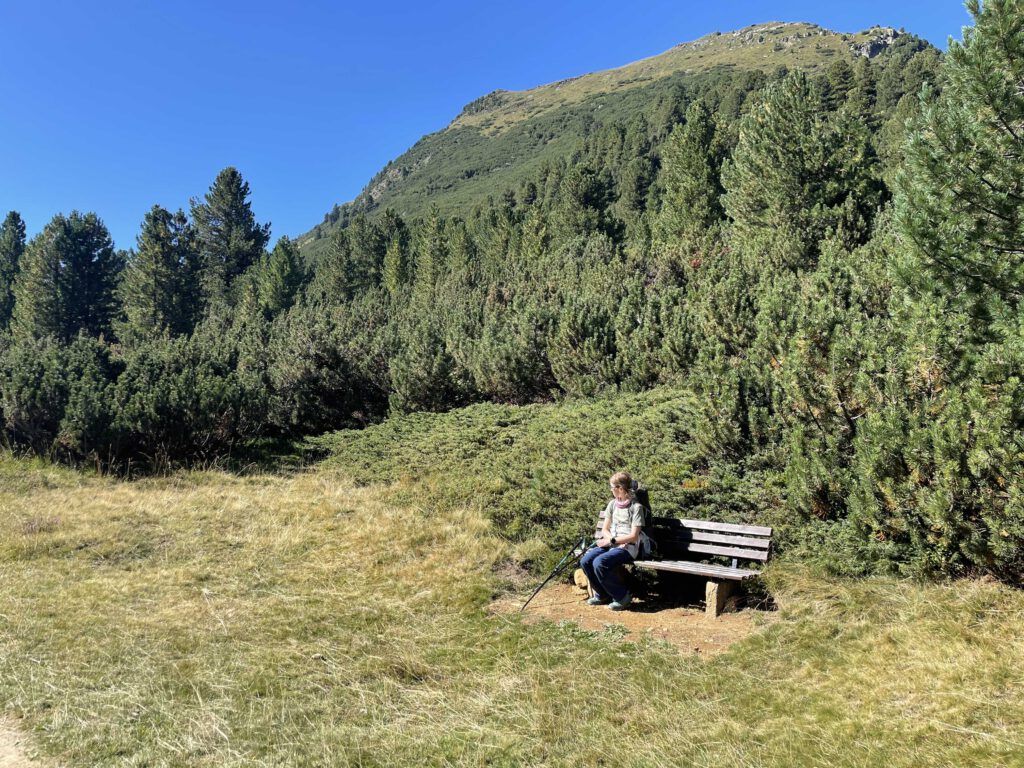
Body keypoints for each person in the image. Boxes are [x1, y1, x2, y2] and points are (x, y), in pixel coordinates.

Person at [579, 471, 647, 610]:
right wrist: (611, 540)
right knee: (586, 560)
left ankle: (622, 597)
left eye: (612, 487)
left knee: (599, 562)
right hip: (612, 544)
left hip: (628, 548)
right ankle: (603, 594)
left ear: (620, 488)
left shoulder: (636, 508)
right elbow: (605, 529)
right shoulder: (612, 505)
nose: (611, 490)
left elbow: (634, 536)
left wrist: (612, 541)